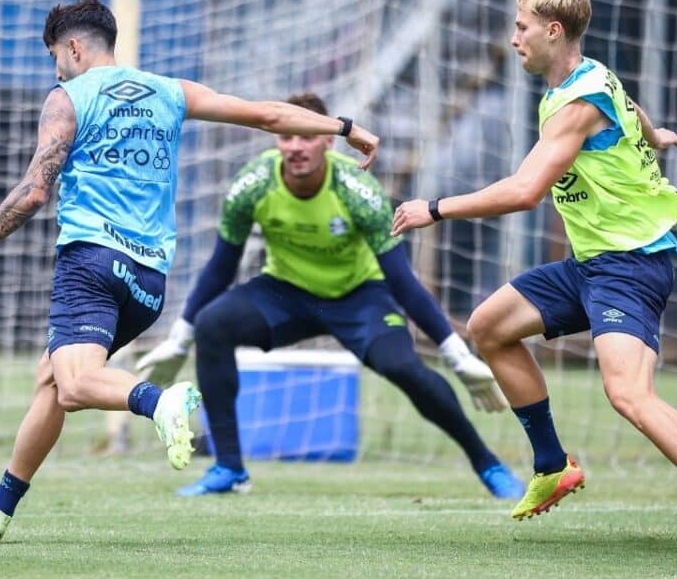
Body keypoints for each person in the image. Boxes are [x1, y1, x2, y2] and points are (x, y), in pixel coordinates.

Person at [0, 0, 380, 544]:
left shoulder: (67, 98)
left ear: (72, 47)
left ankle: (160, 400)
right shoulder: (170, 92)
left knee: (73, 384)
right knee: (51, 377)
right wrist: (344, 125)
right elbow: (267, 114)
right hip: (147, 283)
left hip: (89, 263)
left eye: (54, 57)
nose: (56, 69)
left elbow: (33, 191)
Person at [391, 0, 677, 557]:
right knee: (490, 326)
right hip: (592, 264)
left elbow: (523, 191)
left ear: (552, 29)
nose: (513, 38)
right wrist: (655, 132)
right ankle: (551, 464)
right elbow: (628, 103)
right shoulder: (588, 78)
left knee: (628, 396)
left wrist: (433, 208)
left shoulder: (573, 105)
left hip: (630, 267)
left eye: (521, 28)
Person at [137, 92, 525, 499]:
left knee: (407, 370)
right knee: (213, 324)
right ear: (277, 140)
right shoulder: (252, 184)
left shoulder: (357, 188)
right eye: (288, 136)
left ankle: (487, 462)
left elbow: (402, 280)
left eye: (307, 136)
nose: (297, 146)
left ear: (326, 140)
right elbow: (221, 267)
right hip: (286, 293)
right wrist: (179, 341)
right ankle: (229, 468)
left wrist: (457, 356)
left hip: (360, 297)